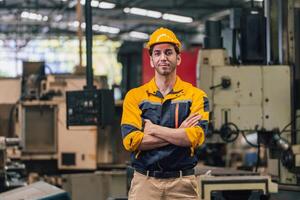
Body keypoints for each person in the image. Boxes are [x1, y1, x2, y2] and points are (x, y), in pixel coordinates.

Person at [121, 27, 209, 200]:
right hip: (145, 183)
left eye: (168, 52)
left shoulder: (196, 96)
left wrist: (153, 129)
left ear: (178, 58)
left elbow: (195, 137)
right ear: (152, 60)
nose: (163, 58)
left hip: (182, 184)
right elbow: (131, 141)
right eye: (157, 53)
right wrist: (179, 133)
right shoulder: (135, 97)